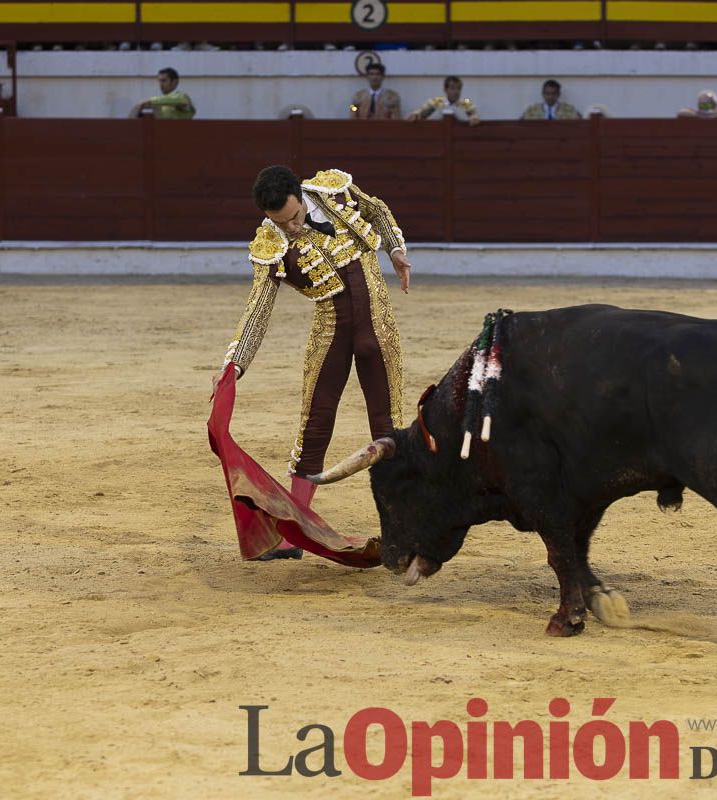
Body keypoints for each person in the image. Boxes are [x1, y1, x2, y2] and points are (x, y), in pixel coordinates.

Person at [220, 165, 412, 560]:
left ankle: (400, 528)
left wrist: (395, 248)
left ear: (301, 196)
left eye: (294, 217)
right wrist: (235, 364)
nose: (290, 228)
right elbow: (258, 308)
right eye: (280, 222)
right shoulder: (269, 243)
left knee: (387, 426)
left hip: (377, 322)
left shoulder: (333, 191)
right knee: (315, 422)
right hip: (331, 331)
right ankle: (295, 534)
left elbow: (376, 211)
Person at [406, 76, 480, 126]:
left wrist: (474, 117)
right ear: (445, 90)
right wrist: (415, 115)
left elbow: (473, 112)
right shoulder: (437, 101)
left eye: (459, 88)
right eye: (452, 88)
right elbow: (422, 111)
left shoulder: (466, 101)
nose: (456, 91)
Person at [128, 67, 196, 119]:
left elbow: (176, 100)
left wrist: (149, 101)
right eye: (160, 81)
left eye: (164, 81)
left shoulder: (183, 97)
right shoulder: (160, 102)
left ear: (174, 82)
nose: (161, 84)